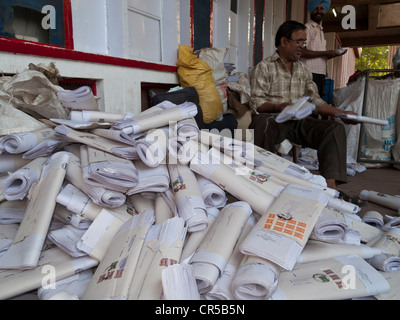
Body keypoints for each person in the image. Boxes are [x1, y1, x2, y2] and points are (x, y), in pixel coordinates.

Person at [249, 20, 362, 203]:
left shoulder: (302, 68)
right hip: (273, 119)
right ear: (285, 42)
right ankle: (262, 181)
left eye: (304, 42)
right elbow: (256, 102)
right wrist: (279, 106)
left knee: (333, 129)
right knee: (261, 122)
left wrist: (339, 113)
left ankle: (330, 189)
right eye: (299, 41)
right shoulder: (265, 67)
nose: (303, 46)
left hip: (298, 121)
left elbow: (315, 100)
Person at [301, 0, 346, 98]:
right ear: (311, 10)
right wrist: (325, 53)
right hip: (310, 73)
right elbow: (301, 52)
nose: (319, 11)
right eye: (316, 8)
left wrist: (331, 54)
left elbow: (319, 55)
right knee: (310, 107)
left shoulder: (320, 30)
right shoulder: (307, 28)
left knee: (317, 106)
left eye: (321, 9)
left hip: (320, 74)